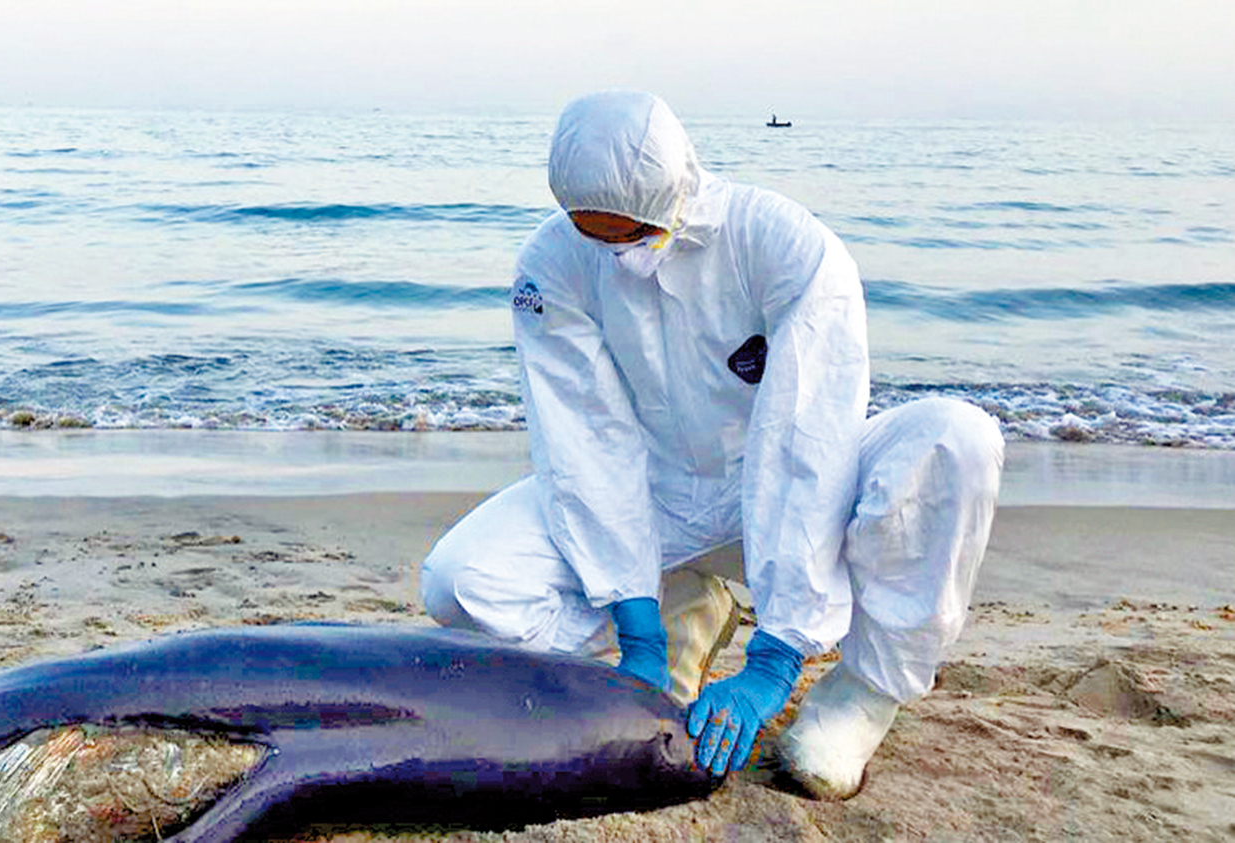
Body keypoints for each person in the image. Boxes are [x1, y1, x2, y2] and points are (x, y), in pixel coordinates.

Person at [420, 90, 1003, 800]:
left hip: (805, 493)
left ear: (672, 193)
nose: (618, 254)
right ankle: (683, 608)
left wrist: (775, 659)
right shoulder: (552, 264)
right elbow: (586, 443)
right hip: (662, 495)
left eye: (632, 233)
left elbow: (805, 437)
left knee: (957, 441)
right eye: (595, 234)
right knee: (461, 583)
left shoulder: (781, 243)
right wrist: (634, 624)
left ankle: (861, 697)